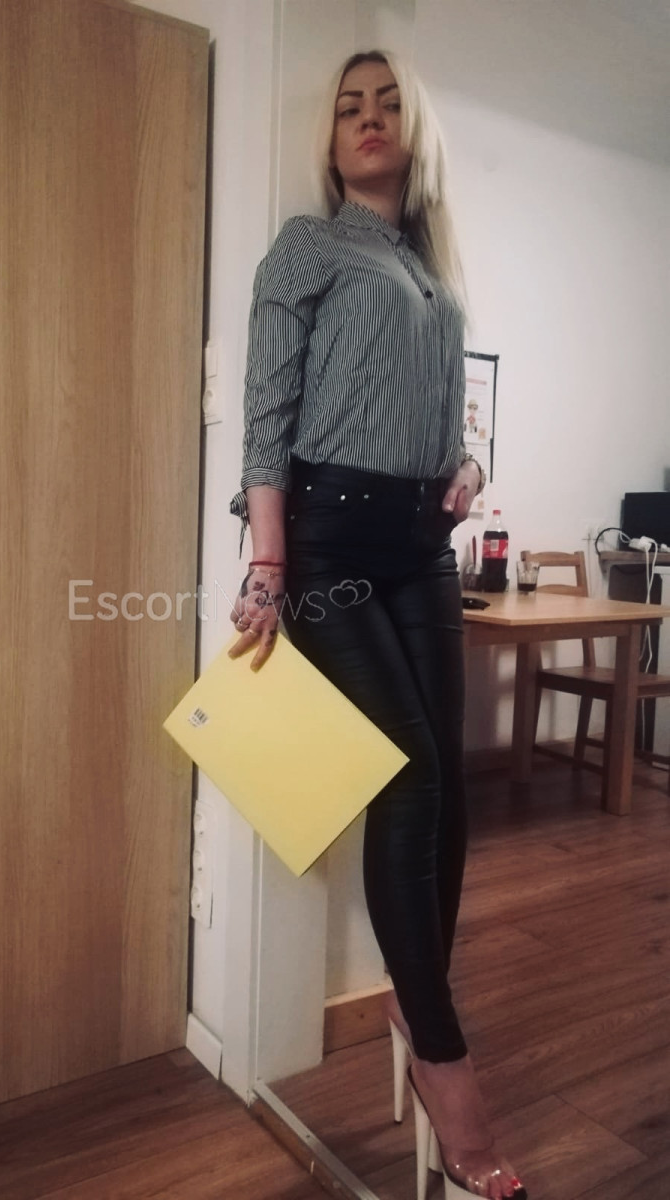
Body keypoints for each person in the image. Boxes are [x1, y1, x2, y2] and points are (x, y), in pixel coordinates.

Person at [227, 50, 527, 1200]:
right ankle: (445, 1062)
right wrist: (267, 561)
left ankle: (414, 1001)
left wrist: (467, 466)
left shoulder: (436, 275)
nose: (366, 119)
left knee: (449, 785)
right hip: (329, 541)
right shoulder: (310, 246)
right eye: (349, 107)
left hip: (419, 545)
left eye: (387, 102)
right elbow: (267, 415)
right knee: (408, 778)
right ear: (331, 138)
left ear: (416, 129)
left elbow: (445, 418)